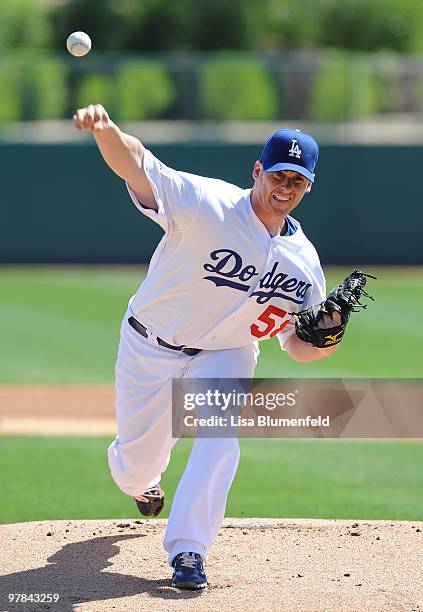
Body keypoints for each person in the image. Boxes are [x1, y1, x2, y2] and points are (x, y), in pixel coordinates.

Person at [73, 105, 341, 590]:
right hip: (149, 344)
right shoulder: (206, 203)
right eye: (278, 174)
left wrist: (326, 339)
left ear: (309, 187)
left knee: (222, 436)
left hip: (228, 353)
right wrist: (105, 131)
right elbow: (137, 163)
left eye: (298, 181)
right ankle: (141, 484)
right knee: (136, 466)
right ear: (257, 170)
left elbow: (298, 346)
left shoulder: (305, 265)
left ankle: (189, 551)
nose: (285, 187)